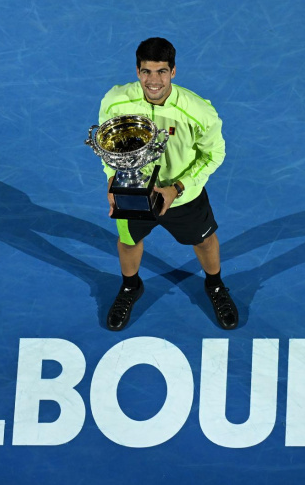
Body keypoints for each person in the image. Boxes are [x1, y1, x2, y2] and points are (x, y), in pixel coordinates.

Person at [98, 37, 238, 331]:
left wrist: (178, 188)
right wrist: (112, 178)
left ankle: (214, 285)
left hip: (182, 195)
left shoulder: (198, 111)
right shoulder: (115, 101)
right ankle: (130, 286)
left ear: (173, 72)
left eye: (161, 71)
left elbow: (215, 154)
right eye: (146, 71)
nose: (154, 80)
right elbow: (107, 146)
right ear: (137, 71)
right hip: (133, 189)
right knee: (128, 240)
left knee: (204, 240)